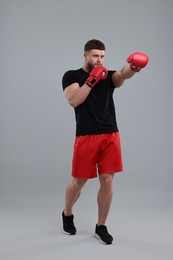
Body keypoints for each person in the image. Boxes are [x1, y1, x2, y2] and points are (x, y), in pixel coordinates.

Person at [61, 39, 149, 245]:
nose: (99, 60)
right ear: (85, 55)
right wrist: (91, 81)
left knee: (108, 180)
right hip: (86, 135)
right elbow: (74, 100)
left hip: (110, 135)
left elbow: (121, 75)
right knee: (79, 181)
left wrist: (134, 67)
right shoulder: (72, 75)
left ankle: (101, 225)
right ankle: (67, 213)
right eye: (95, 56)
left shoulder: (108, 75)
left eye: (102, 56)